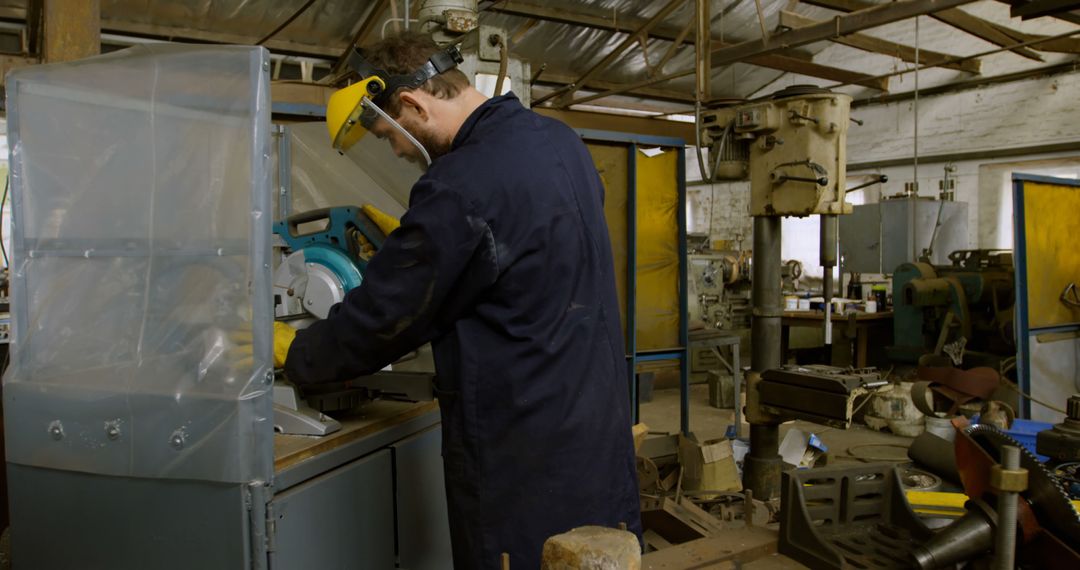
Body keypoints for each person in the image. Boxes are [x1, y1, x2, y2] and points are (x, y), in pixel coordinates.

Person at [276, 32, 640, 569]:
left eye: (385, 136)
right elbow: (514, 258)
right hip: (590, 422)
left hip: (520, 449)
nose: (397, 149)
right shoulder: (558, 141)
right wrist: (419, 242)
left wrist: (297, 353)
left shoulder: (460, 184)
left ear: (410, 103)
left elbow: (386, 318)